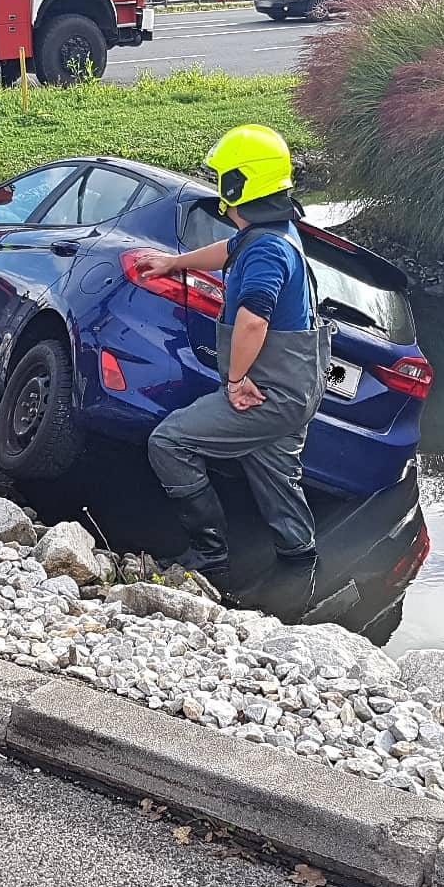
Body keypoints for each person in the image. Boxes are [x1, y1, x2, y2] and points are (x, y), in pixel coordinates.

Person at [135, 125, 330, 576]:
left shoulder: (267, 251)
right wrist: (174, 262)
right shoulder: (274, 230)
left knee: (169, 442)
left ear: (237, 184)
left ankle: (209, 555)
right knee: (275, 474)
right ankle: (301, 568)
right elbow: (229, 249)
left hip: (268, 391)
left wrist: (238, 380)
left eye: (222, 175)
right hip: (296, 390)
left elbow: (254, 320)